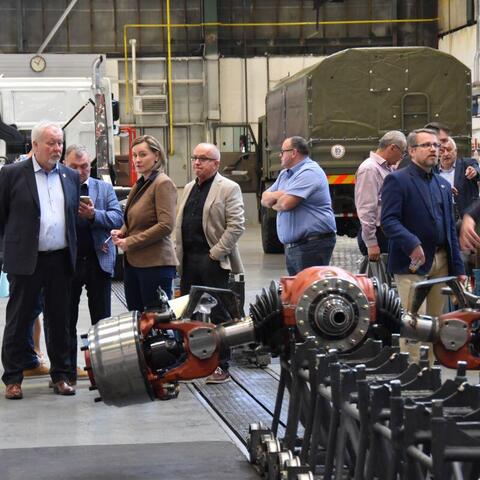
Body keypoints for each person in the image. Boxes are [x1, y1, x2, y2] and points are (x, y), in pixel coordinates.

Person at [0, 121, 79, 399]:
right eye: (51, 143)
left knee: (60, 320)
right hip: (26, 261)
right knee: (19, 320)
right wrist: (4, 255)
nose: (57, 148)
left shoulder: (70, 176)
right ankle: (13, 378)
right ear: (35, 145)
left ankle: (61, 376)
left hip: (59, 260)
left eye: (60, 143)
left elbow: (71, 219)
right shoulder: (11, 174)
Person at [381, 128, 465, 361]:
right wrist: (412, 243)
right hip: (412, 262)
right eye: (427, 145)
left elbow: (450, 229)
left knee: (436, 323)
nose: (434, 150)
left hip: (441, 262)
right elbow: (388, 221)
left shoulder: (442, 185)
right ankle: (413, 371)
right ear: (411, 151)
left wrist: (458, 269)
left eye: (436, 145)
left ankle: (431, 371)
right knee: (415, 323)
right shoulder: (397, 180)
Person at [176, 142, 245, 384]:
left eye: (203, 159)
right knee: (188, 314)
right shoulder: (188, 188)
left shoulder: (228, 188)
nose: (197, 162)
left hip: (213, 261)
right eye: (195, 157)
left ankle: (221, 365)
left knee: (219, 314)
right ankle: (192, 361)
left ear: (216, 163)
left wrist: (215, 254)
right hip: (188, 260)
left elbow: (236, 226)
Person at [64, 144, 123, 385]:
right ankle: (66, 372)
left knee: (102, 322)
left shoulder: (104, 188)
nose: (80, 171)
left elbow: (117, 218)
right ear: (65, 166)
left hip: (98, 261)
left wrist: (93, 215)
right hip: (68, 263)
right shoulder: (58, 187)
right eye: (74, 167)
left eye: (85, 166)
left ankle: (103, 373)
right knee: (66, 320)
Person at [111, 135, 178, 310]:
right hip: (134, 264)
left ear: (156, 156)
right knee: (137, 318)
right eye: (134, 155)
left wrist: (130, 241)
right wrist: (123, 231)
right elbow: (135, 217)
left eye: (142, 154)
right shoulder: (141, 183)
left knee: (154, 319)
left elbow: (166, 225)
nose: (137, 160)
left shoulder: (162, 183)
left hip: (155, 265)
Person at [261, 136, 336, 275]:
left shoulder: (310, 172)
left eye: (282, 151)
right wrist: (284, 194)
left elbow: (285, 204)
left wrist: (277, 199)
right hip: (295, 246)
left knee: (307, 287)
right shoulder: (285, 174)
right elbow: (264, 199)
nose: (279, 155)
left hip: (312, 245)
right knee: (297, 287)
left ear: (294, 152)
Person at [354, 130, 406, 261]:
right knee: (380, 273)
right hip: (379, 235)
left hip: (387, 232)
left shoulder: (387, 168)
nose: (402, 157)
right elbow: (366, 208)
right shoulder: (369, 169)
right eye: (402, 152)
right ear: (393, 148)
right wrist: (371, 243)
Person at [437, 136, 480, 220]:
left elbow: (476, 168)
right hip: (444, 218)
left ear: (455, 151)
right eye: (442, 151)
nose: (446, 154)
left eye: (449, 150)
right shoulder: (433, 171)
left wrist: (475, 171)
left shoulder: (466, 163)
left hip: (467, 218)